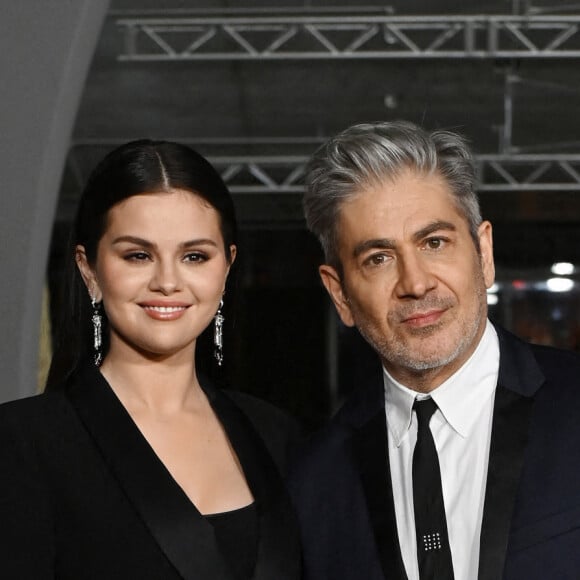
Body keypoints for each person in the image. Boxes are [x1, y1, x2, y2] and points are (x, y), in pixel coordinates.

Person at [288, 121, 580, 580]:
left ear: (483, 253)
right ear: (340, 293)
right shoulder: (315, 478)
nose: (416, 283)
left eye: (434, 242)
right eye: (378, 259)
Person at [0, 140, 301, 579]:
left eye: (194, 256)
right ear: (89, 269)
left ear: (227, 268)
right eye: (138, 255)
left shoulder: (277, 436)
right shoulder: (22, 444)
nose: (167, 281)